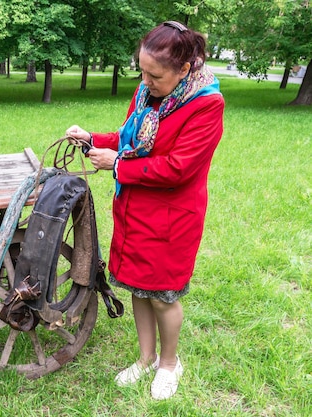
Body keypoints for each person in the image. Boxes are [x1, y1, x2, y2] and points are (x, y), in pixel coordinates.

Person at [66, 21, 224, 400]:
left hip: (172, 217)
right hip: (135, 209)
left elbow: (178, 167)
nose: (145, 80)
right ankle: (146, 358)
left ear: (185, 69)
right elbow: (128, 138)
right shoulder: (147, 92)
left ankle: (170, 364)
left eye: (154, 74)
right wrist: (91, 139)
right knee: (139, 287)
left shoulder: (206, 104)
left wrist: (116, 165)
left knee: (162, 295)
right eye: (142, 71)